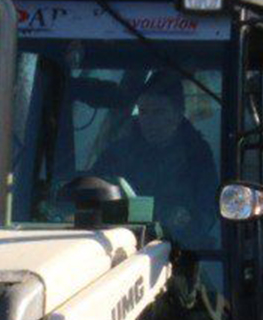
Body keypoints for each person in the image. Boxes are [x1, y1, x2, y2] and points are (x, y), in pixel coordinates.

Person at [89, 91, 218, 243]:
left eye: (159, 112)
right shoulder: (116, 154)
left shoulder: (196, 156)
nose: (149, 120)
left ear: (177, 115)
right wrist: (160, 212)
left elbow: (208, 211)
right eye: (143, 112)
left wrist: (184, 218)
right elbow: (92, 202)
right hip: (119, 243)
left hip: (182, 250)